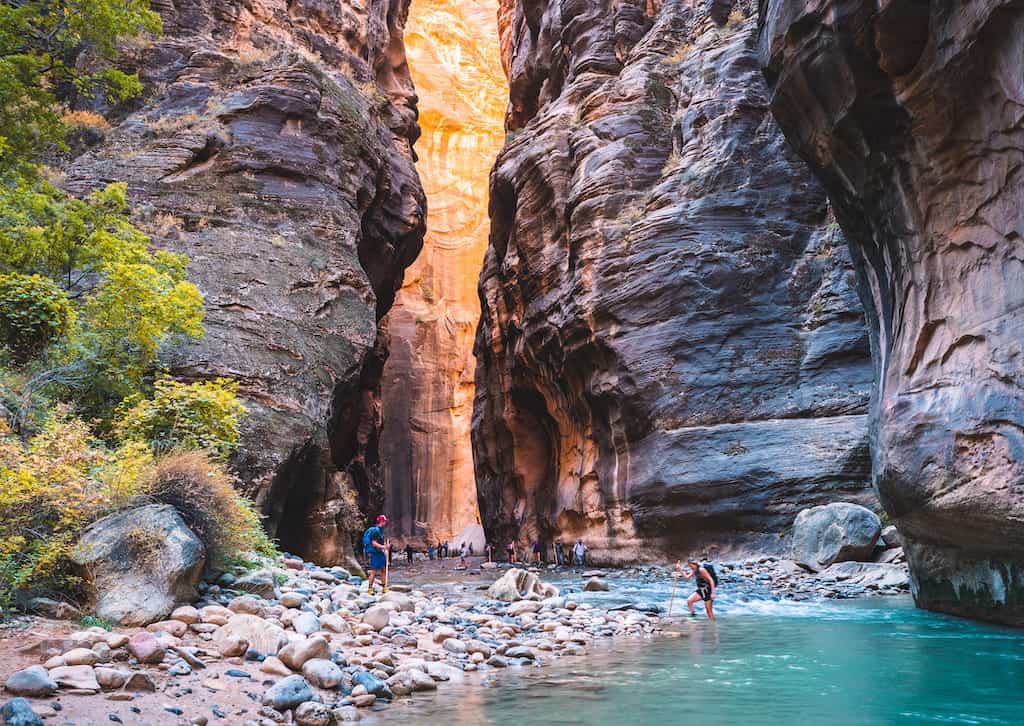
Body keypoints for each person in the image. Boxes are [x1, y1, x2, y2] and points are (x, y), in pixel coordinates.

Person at [363, 515, 390, 594]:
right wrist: (384, 547)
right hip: (375, 553)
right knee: (374, 571)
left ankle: (384, 587)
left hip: (379, 552)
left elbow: (381, 541)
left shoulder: (381, 530)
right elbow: (374, 543)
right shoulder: (376, 531)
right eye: (384, 521)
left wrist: (385, 547)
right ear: (381, 521)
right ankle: (370, 588)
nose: (385, 523)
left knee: (383, 570)